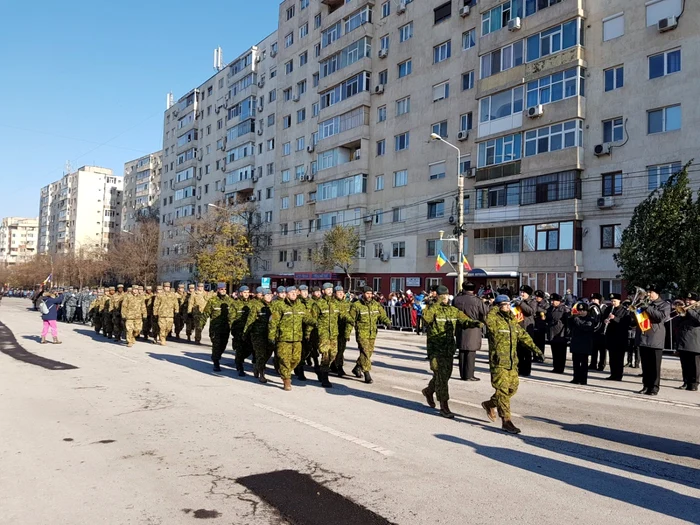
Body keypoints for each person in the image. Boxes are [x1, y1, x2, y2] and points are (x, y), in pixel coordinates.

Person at [481, 295, 542, 434]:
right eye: (505, 305)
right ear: (498, 306)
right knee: (502, 392)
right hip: (499, 362)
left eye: (509, 304)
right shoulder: (493, 319)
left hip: (512, 362)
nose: (509, 307)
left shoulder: (512, 320)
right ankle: (506, 421)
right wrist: (493, 308)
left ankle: (489, 404)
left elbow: (523, 335)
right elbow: (487, 321)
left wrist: (536, 350)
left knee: (512, 389)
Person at [421, 285, 481, 418]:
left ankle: (429, 391)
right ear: (437, 296)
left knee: (443, 376)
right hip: (436, 349)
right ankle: (444, 406)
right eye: (442, 296)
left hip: (448, 348)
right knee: (442, 378)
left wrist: (475, 323)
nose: (445, 298)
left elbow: (464, 320)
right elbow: (426, 319)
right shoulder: (431, 309)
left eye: (447, 295)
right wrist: (436, 302)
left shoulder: (453, 310)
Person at [268, 286, 315, 391]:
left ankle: (286, 371)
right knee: (285, 359)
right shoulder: (280, 306)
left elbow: (307, 318)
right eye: (291, 292)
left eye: (295, 292)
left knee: (296, 359)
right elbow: (273, 322)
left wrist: (315, 323)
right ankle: (286, 379)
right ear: (287, 294)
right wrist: (271, 336)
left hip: (297, 338)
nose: (293, 294)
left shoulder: (300, 306)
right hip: (283, 338)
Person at [309, 283, 351, 388]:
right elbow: (312, 319)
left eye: (331, 289)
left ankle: (324, 369)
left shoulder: (335, 303)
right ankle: (325, 377)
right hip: (323, 334)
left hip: (334, 334)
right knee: (325, 355)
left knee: (333, 354)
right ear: (323, 291)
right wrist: (309, 334)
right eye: (328, 289)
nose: (330, 291)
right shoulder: (318, 304)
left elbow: (343, 315)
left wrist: (352, 320)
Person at [348, 286, 391, 384]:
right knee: (365, 352)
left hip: (372, 333)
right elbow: (350, 320)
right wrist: (347, 333)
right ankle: (367, 374)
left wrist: (387, 322)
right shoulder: (356, 305)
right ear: (363, 294)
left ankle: (357, 367)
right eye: (367, 293)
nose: (369, 295)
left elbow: (382, 315)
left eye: (370, 293)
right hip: (362, 333)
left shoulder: (376, 304)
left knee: (369, 352)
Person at [636, 285, 671, 395]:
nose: (648, 294)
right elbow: (638, 317)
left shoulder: (665, 305)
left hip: (655, 338)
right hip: (644, 336)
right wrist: (636, 308)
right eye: (647, 292)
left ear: (657, 293)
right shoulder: (647, 303)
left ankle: (654, 388)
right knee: (645, 365)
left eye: (650, 292)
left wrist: (647, 307)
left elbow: (660, 317)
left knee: (655, 366)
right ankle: (646, 386)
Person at [453, 282, 488, 381]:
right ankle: (469, 375)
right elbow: (485, 312)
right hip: (473, 328)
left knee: (462, 351)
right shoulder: (477, 301)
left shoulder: (457, 299)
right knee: (471, 353)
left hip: (460, 327)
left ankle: (463, 374)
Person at [244, 288, 275, 383]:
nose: (269, 297)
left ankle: (257, 366)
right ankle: (262, 374)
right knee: (260, 354)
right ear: (262, 296)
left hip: (269, 334)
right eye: (267, 295)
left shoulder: (274, 306)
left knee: (268, 353)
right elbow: (250, 321)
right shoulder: (257, 306)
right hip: (258, 335)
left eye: (270, 295)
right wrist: (245, 333)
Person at [202, 283, 235, 371]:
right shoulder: (212, 301)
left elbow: (233, 315)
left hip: (225, 328)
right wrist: (200, 325)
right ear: (218, 290)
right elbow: (205, 314)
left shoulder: (230, 301)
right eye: (221, 289)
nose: (223, 291)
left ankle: (217, 356)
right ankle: (216, 362)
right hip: (215, 329)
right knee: (216, 345)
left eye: (224, 289)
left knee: (223, 345)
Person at [675, 292, 700, 391]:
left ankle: (694, 383)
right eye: (687, 299)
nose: (688, 301)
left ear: (696, 301)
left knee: (694, 364)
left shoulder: (697, 310)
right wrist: (680, 314)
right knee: (684, 363)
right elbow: (677, 323)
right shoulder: (685, 310)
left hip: (694, 341)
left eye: (690, 300)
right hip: (683, 340)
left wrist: (689, 310)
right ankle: (686, 381)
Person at [604, 293, 631, 381]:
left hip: (620, 338)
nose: (613, 303)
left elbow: (626, 323)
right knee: (612, 357)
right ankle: (612, 374)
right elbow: (603, 318)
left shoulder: (625, 310)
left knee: (619, 358)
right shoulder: (608, 309)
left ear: (619, 301)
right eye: (612, 301)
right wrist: (605, 320)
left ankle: (618, 375)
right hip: (611, 336)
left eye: (614, 301)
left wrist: (614, 318)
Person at [569, 302, 596, 385]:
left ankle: (583, 380)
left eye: (583, 310)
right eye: (579, 310)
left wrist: (576, 320)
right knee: (575, 363)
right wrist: (571, 316)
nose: (581, 312)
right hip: (576, 343)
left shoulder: (590, 319)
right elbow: (569, 326)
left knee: (584, 364)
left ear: (586, 311)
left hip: (585, 344)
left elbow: (585, 328)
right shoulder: (576, 318)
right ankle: (576, 378)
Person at [514, 285, 537, 376]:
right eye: (521, 292)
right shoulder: (520, 301)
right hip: (519, 328)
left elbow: (531, 311)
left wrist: (521, 303)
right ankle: (519, 369)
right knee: (519, 350)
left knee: (527, 351)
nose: (522, 294)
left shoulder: (532, 302)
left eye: (523, 292)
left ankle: (526, 370)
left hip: (527, 329)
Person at [231, 286, 254, 376]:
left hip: (249, 331)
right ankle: (239, 366)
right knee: (240, 349)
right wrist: (234, 331)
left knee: (249, 349)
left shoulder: (252, 304)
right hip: (239, 331)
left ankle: (240, 360)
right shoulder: (235, 304)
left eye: (248, 292)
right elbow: (231, 319)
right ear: (240, 293)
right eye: (244, 292)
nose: (246, 294)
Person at [331, 285, 353, 377]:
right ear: (334, 294)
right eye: (338, 292)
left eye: (342, 292)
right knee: (333, 351)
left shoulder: (347, 304)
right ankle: (333, 365)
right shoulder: (332, 304)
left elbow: (350, 318)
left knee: (341, 350)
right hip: (333, 331)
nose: (341, 293)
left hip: (343, 330)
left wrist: (347, 332)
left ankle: (338, 366)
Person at [546, 293, 570, 374]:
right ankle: (555, 367)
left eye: (554, 301)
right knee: (554, 352)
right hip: (552, 333)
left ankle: (560, 368)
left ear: (559, 301)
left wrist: (567, 334)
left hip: (561, 334)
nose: (552, 302)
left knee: (561, 353)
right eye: (551, 301)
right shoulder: (550, 309)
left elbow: (567, 323)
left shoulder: (564, 309)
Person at [588, 293, 606, 371]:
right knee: (593, 348)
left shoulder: (604, 307)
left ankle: (601, 364)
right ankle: (593, 363)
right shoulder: (591, 308)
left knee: (602, 349)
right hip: (594, 331)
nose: (593, 301)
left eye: (595, 299)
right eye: (592, 299)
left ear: (599, 300)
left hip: (602, 331)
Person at [533, 290, 549, 362]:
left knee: (540, 342)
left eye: (538, 297)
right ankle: (535, 356)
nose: (537, 298)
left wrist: (538, 309)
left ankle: (540, 356)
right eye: (536, 296)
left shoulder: (545, 304)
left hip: (541, 325)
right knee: (534, 342)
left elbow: (546, 311)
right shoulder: (534, 303)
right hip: (534, 324)